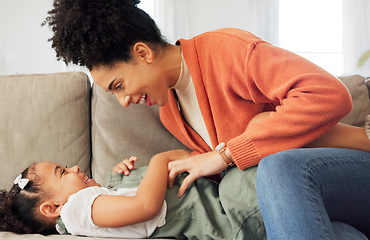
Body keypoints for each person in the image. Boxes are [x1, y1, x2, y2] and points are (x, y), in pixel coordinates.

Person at [43, 0, 370, 239]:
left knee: (278, 168)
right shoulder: (170, 111)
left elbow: (327, 94)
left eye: (119, 86)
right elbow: (235, 179)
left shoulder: (226, 51)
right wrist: (135, 179)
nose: (124, 102)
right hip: (308, 199)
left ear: (143, 53)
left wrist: (226, 154)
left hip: (351, 172)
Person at [0, 150, 266, 239]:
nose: (75, 167)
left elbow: (131, 205)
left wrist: (118, 182)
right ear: (52, 208)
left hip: (223, 203)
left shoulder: (89, 203)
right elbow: (146, 206)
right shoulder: (77, 210)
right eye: (63, 172)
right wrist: (159, 160)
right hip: (230, 215)